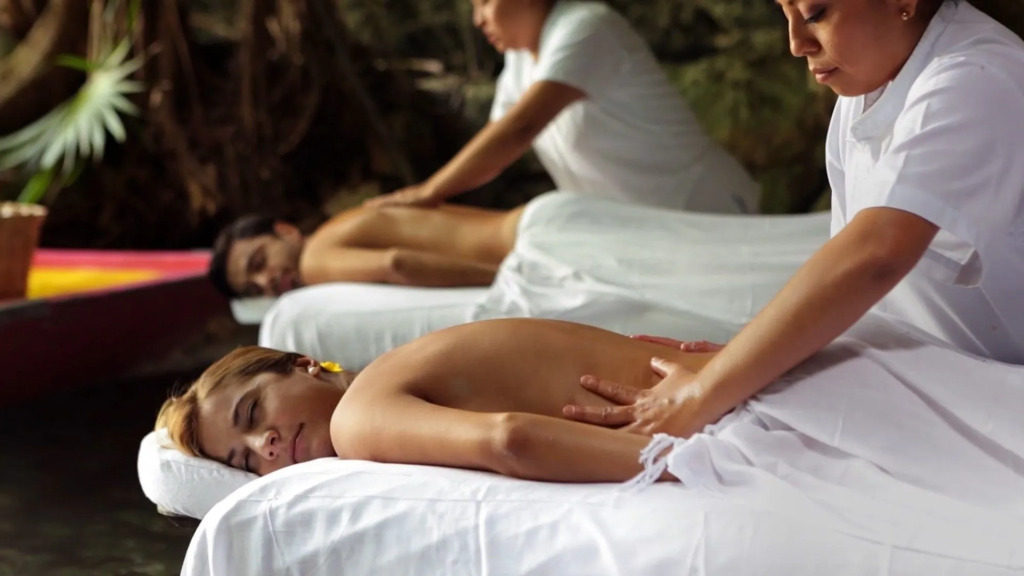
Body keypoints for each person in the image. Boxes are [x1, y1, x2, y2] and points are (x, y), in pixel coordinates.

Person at [563, 0, 1024, 437]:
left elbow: (875, 254)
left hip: (991, 399)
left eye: (815, 13)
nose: (796, 44)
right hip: (917, 376)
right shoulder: (867, 91)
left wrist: (703, 393)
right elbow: (862, 282)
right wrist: (756, 359)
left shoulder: (976, 78)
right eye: (783, 13)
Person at [155, 319, 718, 482]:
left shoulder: (357, 419)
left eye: (253, 414)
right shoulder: (400, 366)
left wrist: (690, 464)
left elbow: (510, 440)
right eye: (246, 460)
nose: (267, 445)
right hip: (720, 383)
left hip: (716, 420)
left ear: (305, 364)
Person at [364, 0, 760, 213]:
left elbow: (518, 131)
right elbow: (497, 140)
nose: (478, 19)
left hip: (702, 207)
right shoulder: (520, 59)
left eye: (484, 2)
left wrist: (427, 193)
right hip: (641, 228)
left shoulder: (587, 27)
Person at [208, 202, 525, 298]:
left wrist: (507, 278)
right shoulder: (341, 224)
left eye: (259, 262)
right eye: (254, 289)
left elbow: (396, 264)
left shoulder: (313, 261)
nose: (266, 281)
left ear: (287, 231)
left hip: (523, 248)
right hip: (521, 224)